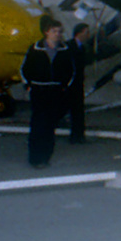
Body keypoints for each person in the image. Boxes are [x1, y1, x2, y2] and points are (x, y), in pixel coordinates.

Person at [21, 16, 78, 168]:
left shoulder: (64, 50)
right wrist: (28, 85)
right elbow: (25, 68)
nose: (58, 34)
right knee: (38, 124)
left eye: (60, 31)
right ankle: (35, 157)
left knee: (50, 125)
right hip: (39, 90)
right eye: (54, 31)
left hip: (56, 91)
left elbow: (71, 71)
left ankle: (45, 157)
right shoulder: (35, 49)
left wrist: (64, 86)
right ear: (47, 32)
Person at [66, 22, 91, 144]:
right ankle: (75, 135)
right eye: (86, 32)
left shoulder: (82, 47)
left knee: (78, 109)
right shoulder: (69, 46)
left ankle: (78, 135)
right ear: (79, 33)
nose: (88, 35)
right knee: (73, 109)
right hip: (70, 82)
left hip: (78, 82)